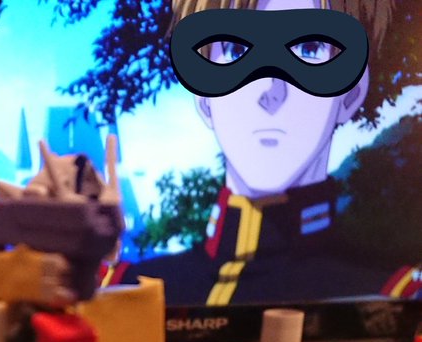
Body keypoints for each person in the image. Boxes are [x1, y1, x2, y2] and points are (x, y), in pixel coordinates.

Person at [118, 0, 420, 304]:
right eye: (236, 50)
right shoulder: (125, 293)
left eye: (309, 48)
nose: (270, 92)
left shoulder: (393, 297)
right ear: (203, 99)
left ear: (351, 93)